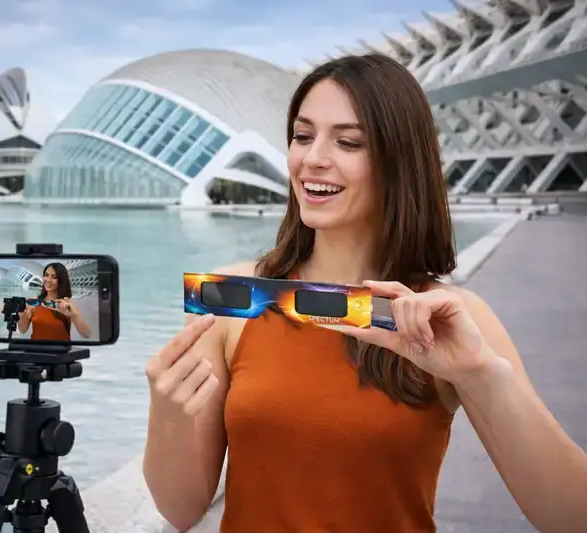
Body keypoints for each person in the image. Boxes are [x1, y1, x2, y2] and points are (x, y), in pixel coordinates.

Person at [142, 54, 587, 533]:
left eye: (348, 142)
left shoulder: (447, 320)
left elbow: (570, 517)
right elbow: (181, 510)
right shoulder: (229, 296)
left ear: (400, 159)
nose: (313, 158)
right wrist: (167, 412)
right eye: (302, 135)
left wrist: (481, 377)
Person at [18, 262, 92, 341]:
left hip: (61, 351)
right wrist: (22, 316)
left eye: (54, 277)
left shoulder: (67, 303)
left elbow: (87, 334)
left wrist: (74, 315)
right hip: (37, 350)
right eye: (46, 275)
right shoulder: (35, 302)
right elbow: (23, 330)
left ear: (61, 280)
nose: (48, 280)